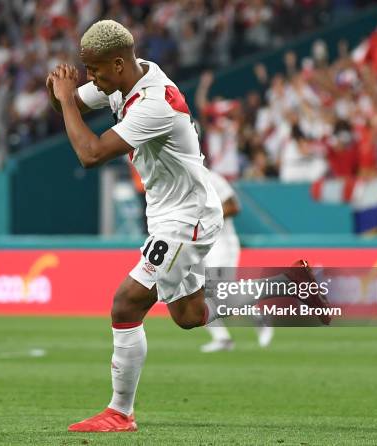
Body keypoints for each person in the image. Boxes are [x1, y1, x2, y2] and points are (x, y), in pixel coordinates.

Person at [46, 20, 330, 433]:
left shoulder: (154, 103)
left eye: (96, 71)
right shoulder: (120, 77)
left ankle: (119, 413)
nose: (91, 79)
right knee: (189, 315)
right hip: (173, 214)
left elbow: (90, 153)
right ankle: (291, 286)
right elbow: (65, 101)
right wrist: (61, 90)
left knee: (126, 303)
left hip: (184, 219)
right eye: (87, 71)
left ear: (119, 64)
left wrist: (68, 101)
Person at [201, 170, 274, 352]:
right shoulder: (181, 178)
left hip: (221, 243)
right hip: (200, 244)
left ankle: (260, 318)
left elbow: (234, 207)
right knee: (196, 292)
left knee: (221, 294)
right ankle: (222, 339)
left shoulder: (211, 178)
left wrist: (207, 219)